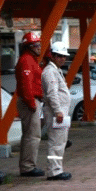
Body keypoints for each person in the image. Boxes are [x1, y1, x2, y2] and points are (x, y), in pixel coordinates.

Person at [41, 42, 73, 181]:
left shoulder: (55, 70)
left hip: (59, 113)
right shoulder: (50, 72)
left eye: (63, 56)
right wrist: (58, 111)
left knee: (60, 143)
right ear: (52, 56)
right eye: (59, 56)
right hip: (56, 113)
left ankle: (56, 169)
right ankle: (54, 171)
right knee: (56, 144)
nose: (62, 59)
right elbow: (52, 94)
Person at [15, 32, 45, 177]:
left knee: (31, 135)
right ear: (29, 47)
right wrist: (31, 102)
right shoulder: (27, 61)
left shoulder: (31, 60)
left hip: (32, 100)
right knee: (32, 136)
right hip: (30, 101)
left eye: (39, 44)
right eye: (36, 45)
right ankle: (28, 167)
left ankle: (28, 165)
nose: (39, 47)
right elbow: (26, 84)